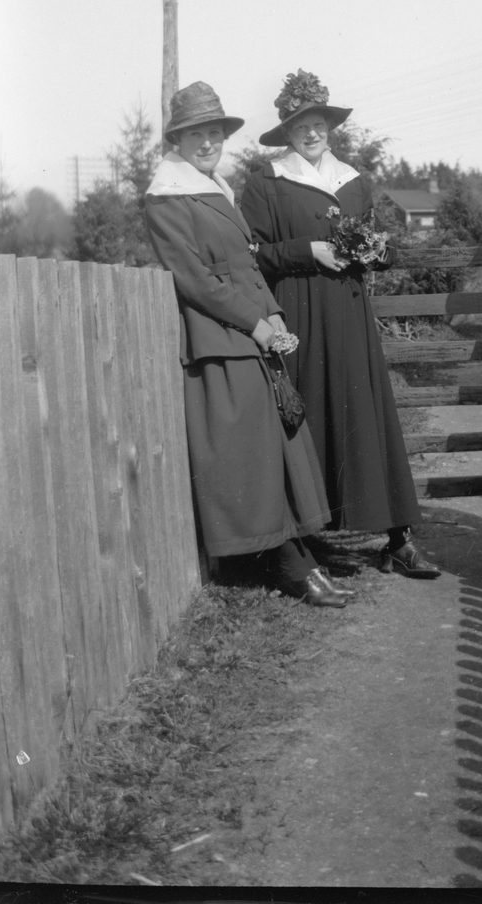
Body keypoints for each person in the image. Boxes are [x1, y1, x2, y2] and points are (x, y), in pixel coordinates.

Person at [145, 80, 352, 607]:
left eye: (215, 133)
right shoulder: (166, 197)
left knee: (273, 448)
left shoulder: (215, 189)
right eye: (197, 134)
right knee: (248, 456)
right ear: (177, 140)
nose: (208, 142)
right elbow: (195, 280)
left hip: (246, 333)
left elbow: (247, 266)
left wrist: (274, 314)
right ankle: (286, 565)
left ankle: (296, 558)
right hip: (217, 339)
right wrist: (255, 324)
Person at [240, 69, 440, 579]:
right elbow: (252, 254)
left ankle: (397, 539)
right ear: (287, 131)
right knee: (306, 414)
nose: (311, 132)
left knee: (364, 412)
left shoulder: (353, 180)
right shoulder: (266, 182)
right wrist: (306, 250)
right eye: (300, 125)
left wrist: (376, 251)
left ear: (330, 127)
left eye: (319, 123)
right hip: (298, 309)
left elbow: (374, 241)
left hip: (348, 312)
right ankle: (303, 541)